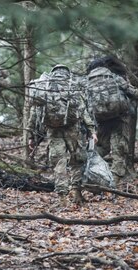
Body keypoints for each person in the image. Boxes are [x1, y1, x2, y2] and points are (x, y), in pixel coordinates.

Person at [27, 64, 98, 205]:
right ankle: (76, 192)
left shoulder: (44, 86)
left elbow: (34, 113)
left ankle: (62, 197)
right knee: (77, 161)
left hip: (52, 130)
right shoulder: (73, 84)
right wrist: (92, 131)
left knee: (59, 162)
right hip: (74, 129)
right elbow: (83, 110)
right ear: (67, 72)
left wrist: (31, 136)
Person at [85, 56, 138, 185]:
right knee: (119, 150)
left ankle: (89, 171)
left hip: (100, 119)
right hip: (120, 118)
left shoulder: (87, 81)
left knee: (101, 147)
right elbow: (136, 94)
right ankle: (114, 181)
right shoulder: (115, 78)